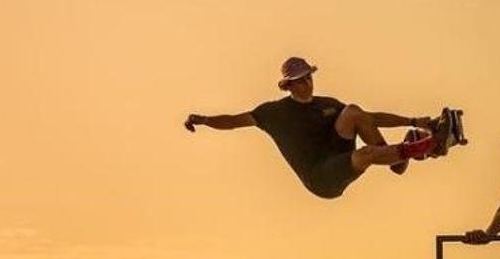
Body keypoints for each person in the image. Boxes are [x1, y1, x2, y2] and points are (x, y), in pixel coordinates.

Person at [183, 57, 447, 199]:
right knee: (364, 155)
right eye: (300, 81)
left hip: (338, 154)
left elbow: (370, 118)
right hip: (321, 178)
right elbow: (233, 120)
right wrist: (204, 120)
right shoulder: (275, 113)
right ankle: (425, 146)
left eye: (309, 77)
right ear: (288, 86)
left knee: (354, 111)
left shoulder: (328, 104)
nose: (307, 84)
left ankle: (399, 160)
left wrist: (414, 121)